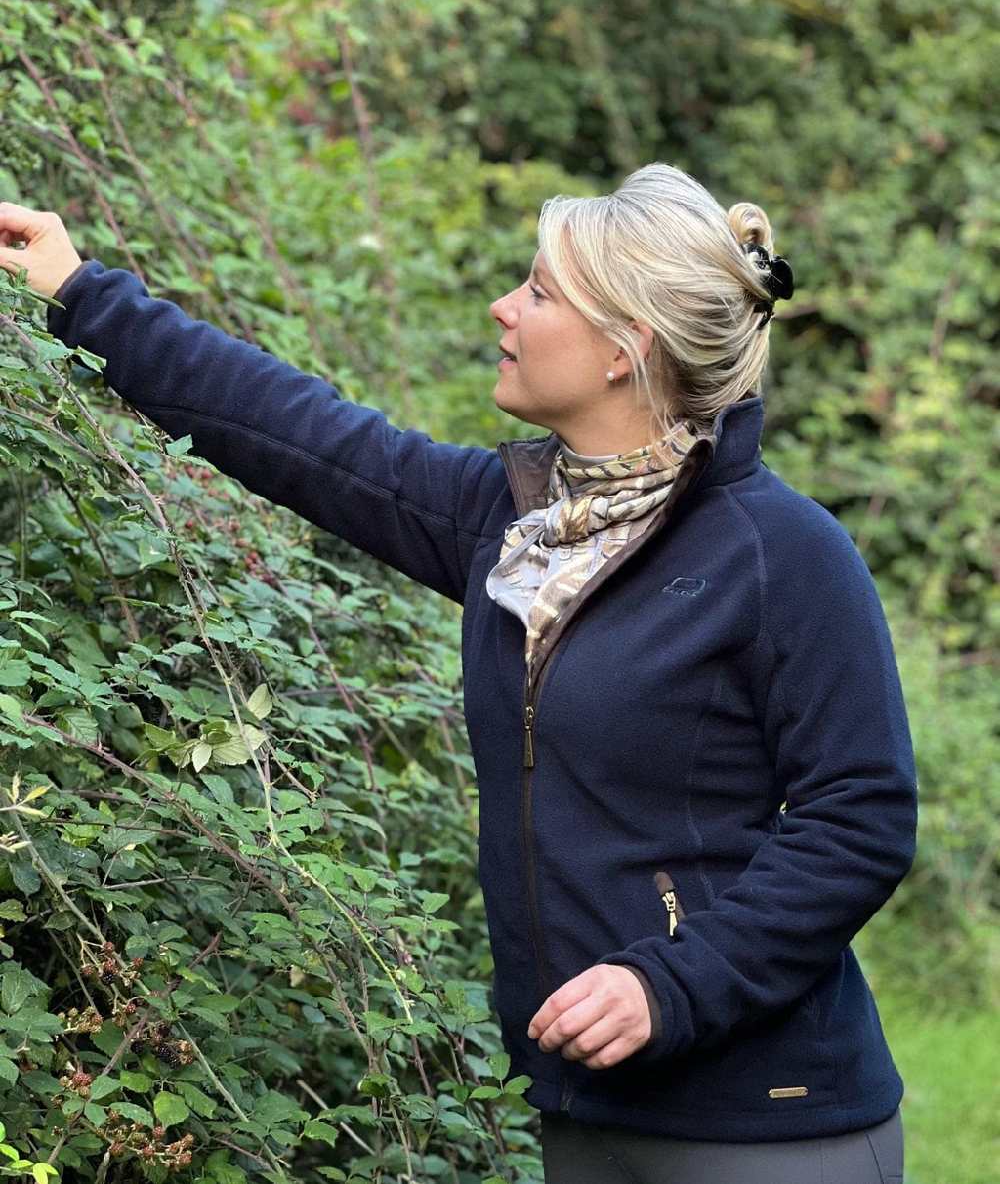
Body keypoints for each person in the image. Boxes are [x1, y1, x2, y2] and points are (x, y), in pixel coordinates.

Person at [0, 164, 914, 1183]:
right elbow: (298, 432)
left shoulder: (779, 551)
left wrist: (673, 982)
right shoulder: (515, 525)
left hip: (767, 1126)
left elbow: (860, 815)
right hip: (578, 1105)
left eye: (537, 290)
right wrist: (84, 294)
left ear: (625, 349)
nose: (503, 307)